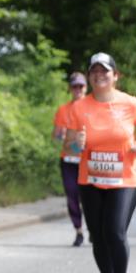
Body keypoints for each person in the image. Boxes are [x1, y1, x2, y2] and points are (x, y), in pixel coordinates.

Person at [65, 53, 136, 273]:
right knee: (99, 237)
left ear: (116, 75)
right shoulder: (79, 107)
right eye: (94, 71)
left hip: (125, 179)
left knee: (115, 231)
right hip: (90, 180)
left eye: (104, 71)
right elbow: (70, 144)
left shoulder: (130, 103)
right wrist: (76, 144)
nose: (98, 75)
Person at [53, 72, 88, 246]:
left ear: (86, 87)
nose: (78, 89)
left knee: (88, 197)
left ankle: (94, 229)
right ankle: (79, 230)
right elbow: (56, 135)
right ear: (70, 88)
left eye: (81, 86)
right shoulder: (63, 110)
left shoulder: (91, 107)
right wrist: (62, 134)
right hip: (68, 159)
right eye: (75, 86)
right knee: (71, 195)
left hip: (87, 160)